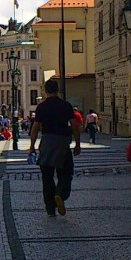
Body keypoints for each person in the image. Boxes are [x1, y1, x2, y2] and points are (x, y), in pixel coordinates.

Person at [28, 79, 81, 217]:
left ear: (45, 91)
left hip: (46, 143)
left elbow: (35, 128)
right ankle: (60, 195)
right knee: (66, 173)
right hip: (63, 143)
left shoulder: (41, 107)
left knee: (47, 178)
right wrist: (78, 144)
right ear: (58, 90)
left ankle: (50, 209)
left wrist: (32, 147)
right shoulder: (66, 106)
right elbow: (74, 125)